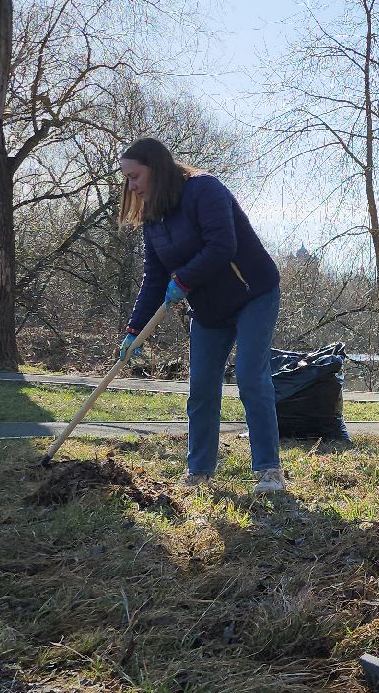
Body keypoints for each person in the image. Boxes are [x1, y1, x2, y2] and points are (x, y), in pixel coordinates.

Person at [118, 137, 285, 493]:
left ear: (156, 168)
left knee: (250, 377)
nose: (130, 186)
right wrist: (134, 330)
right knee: (201, 388)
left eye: (134, 176)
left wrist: (184, 278)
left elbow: (223, 244)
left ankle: (269, 471)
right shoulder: (153, 219)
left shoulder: (203, 190)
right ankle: (199, 472)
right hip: (209, 309)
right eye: (127, 179)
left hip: (252, 292)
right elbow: (154, 277)